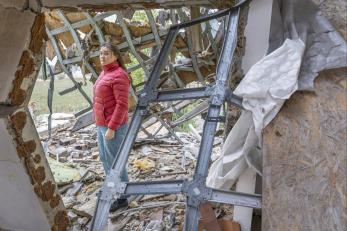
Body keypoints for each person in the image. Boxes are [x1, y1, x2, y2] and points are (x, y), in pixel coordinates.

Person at [93, 42, 130, 212]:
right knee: (105, 159)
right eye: (101, 53)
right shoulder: (105, 72)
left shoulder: (119, 75)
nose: (102, 56)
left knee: (116, 162)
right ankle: (113, 189)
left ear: (115, 56)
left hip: (112, 127)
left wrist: (112, 128)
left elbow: (122, 105)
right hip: (102, 125)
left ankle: (123, 197)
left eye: (106, 53)